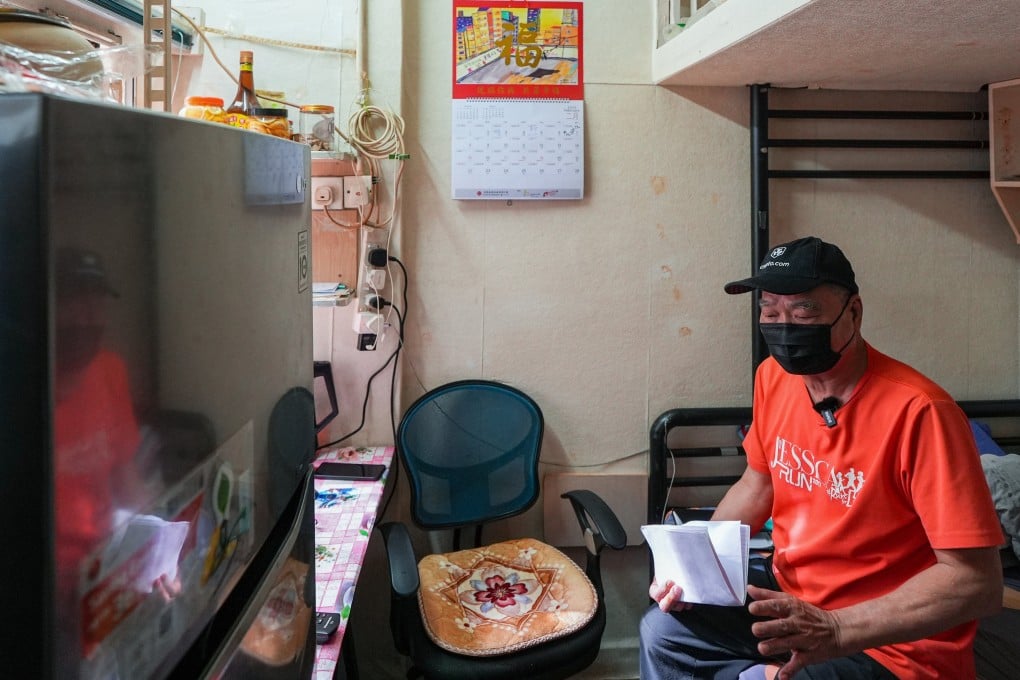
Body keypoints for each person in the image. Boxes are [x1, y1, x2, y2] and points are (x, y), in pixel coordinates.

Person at [639, 236, 1005, 679]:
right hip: (793, 602)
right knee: (665, 633)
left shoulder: (921, 413)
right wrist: (695, 571)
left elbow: (976, 582)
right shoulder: (773, 378)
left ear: (853, 312)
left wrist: (835, 628)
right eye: (770, 310)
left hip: (891, 644)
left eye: (804, 310)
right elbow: (758, 485)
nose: (783, 324)